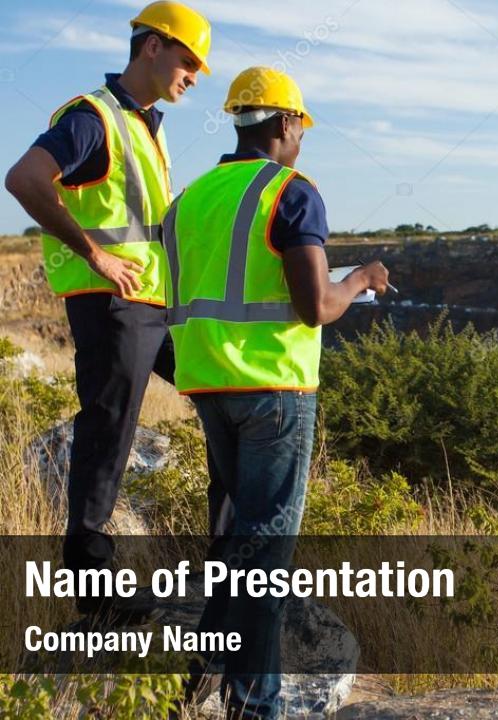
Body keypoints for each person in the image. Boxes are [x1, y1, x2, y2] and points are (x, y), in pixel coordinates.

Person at [162, 66, 388, 719]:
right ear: (287, 123)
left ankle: (202, 680)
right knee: (264, 552)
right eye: (301, 128)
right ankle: (256, 705)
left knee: (237, 542)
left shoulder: (192, 199)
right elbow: (315, 305)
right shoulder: (292, 192)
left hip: (209, 386)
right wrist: (361, 279)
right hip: (274, 391)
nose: (301, 140)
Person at [4, 1, 215, 621]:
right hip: (113, 305)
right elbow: (23, 179)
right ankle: (94, 591)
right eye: (188, 59)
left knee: (226, 393)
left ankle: (235, 560)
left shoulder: (147, 123)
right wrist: (94, 254)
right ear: (152, 47)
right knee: (108, 429)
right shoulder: (93, 118)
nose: (195, 75)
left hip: (155, 303)